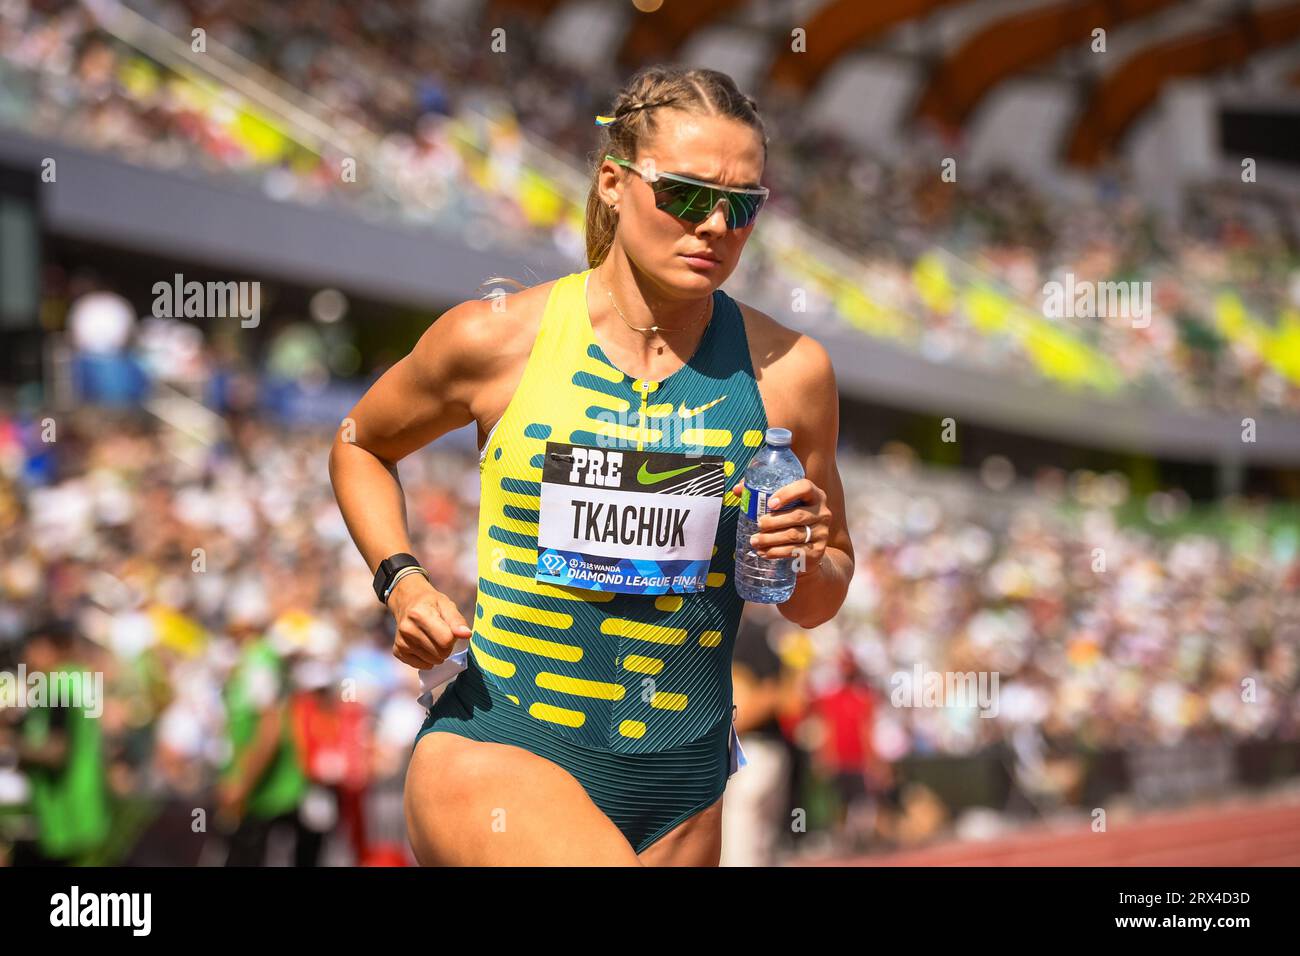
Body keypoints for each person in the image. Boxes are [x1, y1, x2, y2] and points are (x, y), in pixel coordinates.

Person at [330, 64, 855, 866]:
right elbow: (359, 443)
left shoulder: (789, 374)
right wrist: (400, 578)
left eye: (742, 206)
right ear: (614, 182)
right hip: (502, 749)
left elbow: (817, 601)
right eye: (685, 193)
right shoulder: (497, 339)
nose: (714, 224)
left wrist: (809, 556)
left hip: (685, 789)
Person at [720, 609, 793, 866]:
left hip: (755, 751)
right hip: (758, 751)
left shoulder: (752, 635)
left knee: (741, 845)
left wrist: (724, 726)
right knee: (761, 844)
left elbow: (776, 694)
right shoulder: (747, 632)